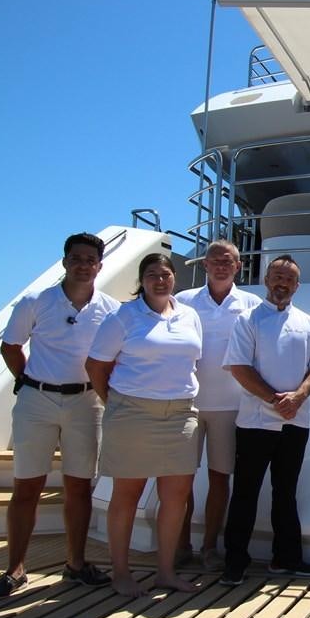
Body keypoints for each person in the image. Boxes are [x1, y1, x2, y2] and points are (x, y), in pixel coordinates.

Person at [0, 232, 120, 599]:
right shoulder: (35, 302)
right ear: (64, 262)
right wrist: (27, 381)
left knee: (79, 486)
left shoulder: (110, 309)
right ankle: (15, 569)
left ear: (100, 266)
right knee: (26, 486)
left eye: (90, 260)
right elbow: (11, 347)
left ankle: (75, 564)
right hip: (36, 400)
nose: (83, 265)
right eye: (76, 258)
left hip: (85, 402)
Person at [86, 252, 203, 596]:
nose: (160, 280)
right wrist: (115, 403)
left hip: (180, 414)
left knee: (176, 497)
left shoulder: (189, 316)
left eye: (165, 274)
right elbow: (96, 366)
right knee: (128, 494)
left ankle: (165, 572)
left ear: (174, 278)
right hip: (132, 413)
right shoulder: (123, 317)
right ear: (142, 281)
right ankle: (122, 574)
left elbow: (191, 361)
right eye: (152, 274)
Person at [220, 254, 310, 584]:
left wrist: (297, 398)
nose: (283, 283)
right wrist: (274, 399)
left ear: (297, 285)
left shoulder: (308, 323)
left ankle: (286, 558)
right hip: (255, 422)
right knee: (246, 492)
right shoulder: (248, 320)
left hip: (296, 421)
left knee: (286, 491)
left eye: (289, 279)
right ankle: (235, 563)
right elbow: (239, 367)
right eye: (278, 277)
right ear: (267, 280)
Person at [174, 240, 262, 572]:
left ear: (238, 266)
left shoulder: (252, 303)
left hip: (231, 406)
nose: (221, 266)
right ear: (205, 264)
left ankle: (210, 547)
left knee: (219, 478)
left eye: (228, 261)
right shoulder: (183, 301)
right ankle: (181, 544)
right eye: (215, 261)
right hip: (187, 403)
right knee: (180, 479)